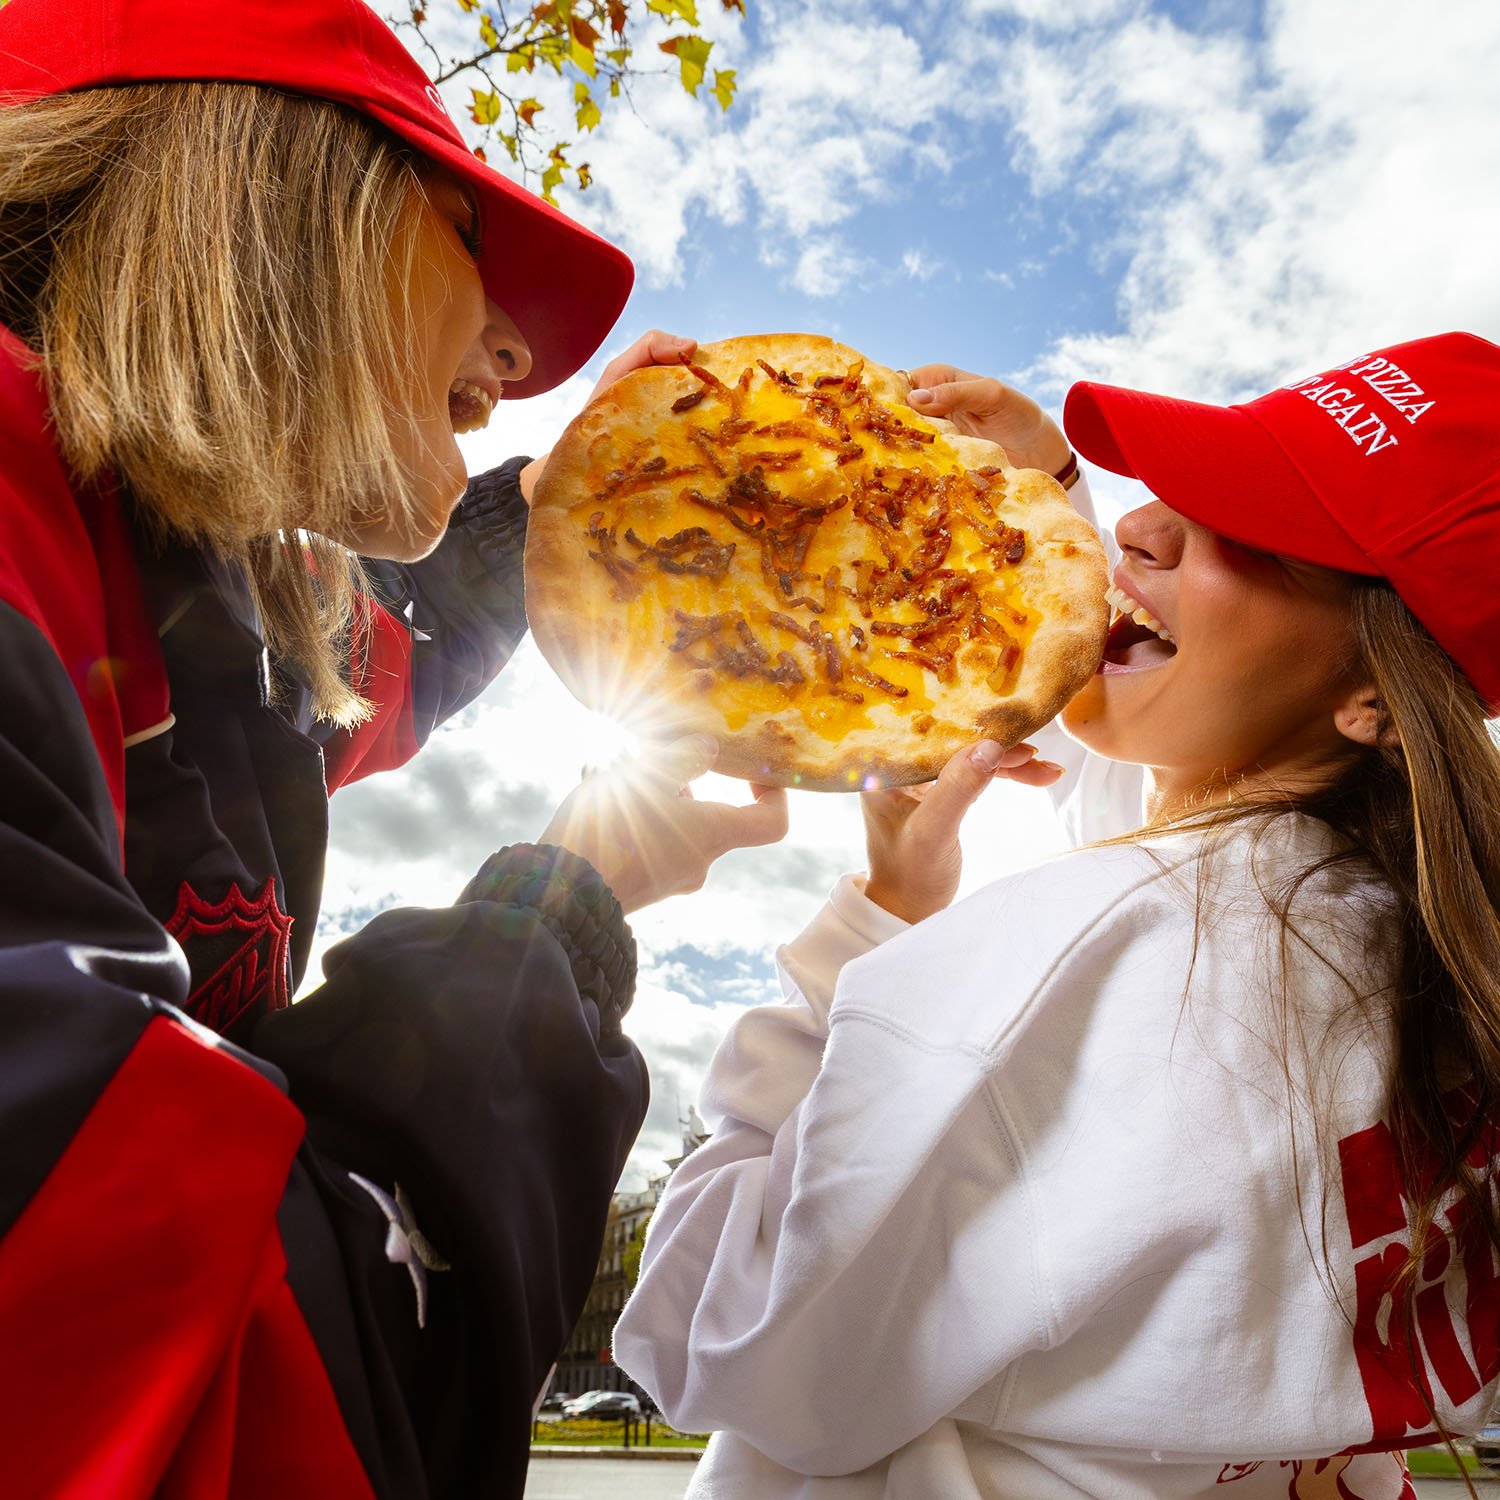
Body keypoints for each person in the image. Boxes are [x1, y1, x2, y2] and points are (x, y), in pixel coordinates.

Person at [0, 0, 786, 1495]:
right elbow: (235, 1391)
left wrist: (557, 496)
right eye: (464, 235)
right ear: (265, 182)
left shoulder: (191, 576)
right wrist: (561, 908)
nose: (517, 350)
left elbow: (398, 661)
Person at [615, 331, 1500, 1498]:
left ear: (1376, 697)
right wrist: (1060, 525)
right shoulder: (1404, 949)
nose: (1141, 527)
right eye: (1190, 485)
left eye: (1258, 526)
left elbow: (708, 1333)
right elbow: (1183, 835)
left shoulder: (1072, 951)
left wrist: (874, 930)